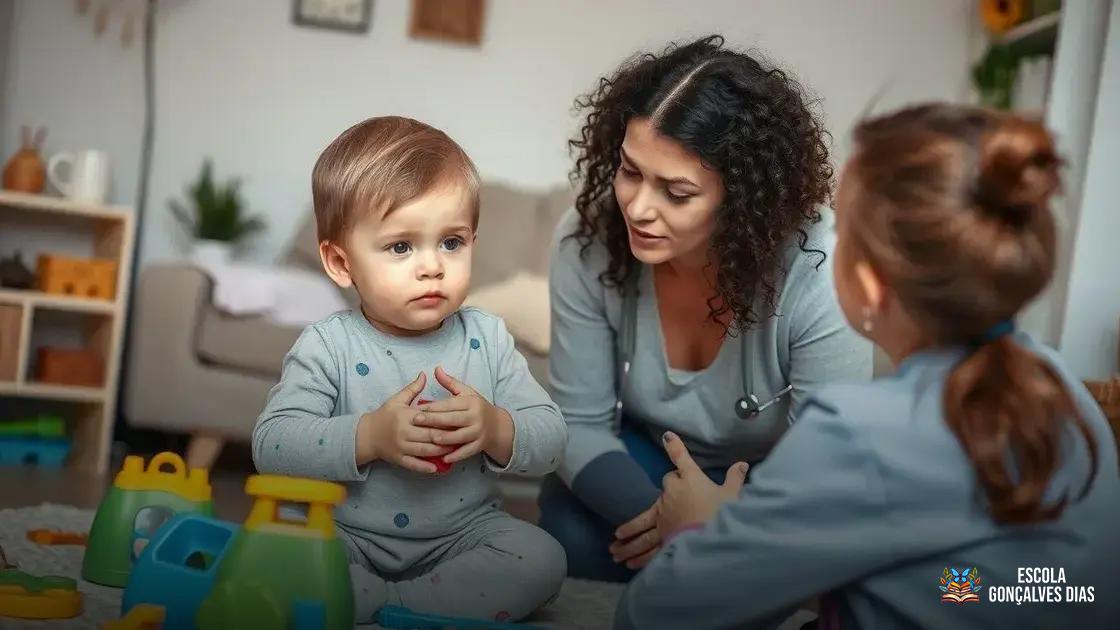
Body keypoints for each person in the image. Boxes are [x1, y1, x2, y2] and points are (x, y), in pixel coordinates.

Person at [616, 104, 1120, 629]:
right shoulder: (1060, 386)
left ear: (871, 285)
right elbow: (1008, 590)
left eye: (840, 231)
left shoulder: (859, 434)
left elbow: (651, 616)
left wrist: (702, 527)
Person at [539, 34, 873, 581]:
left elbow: (827, 473)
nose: (637, 208)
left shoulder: (821, 266)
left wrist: (719, 526)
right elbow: (577, 422)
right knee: (569, 528)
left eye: (676, 193)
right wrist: (667, 522)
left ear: (743, 198)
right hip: (654, 464)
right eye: (630, 171)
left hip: (777, 482)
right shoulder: (587, 237)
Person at [253, 116, 567, 624]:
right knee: (275, 547)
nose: (433, 266)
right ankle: (393, 599)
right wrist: (369, 437)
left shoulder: (487, 339)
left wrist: (495, 427)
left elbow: (552, 440)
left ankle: (392, 604)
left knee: (542, 558)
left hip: (462, 536)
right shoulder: (327, 345)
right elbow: (272, 446)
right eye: (401, 247)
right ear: (341, 263)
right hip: (344, 532)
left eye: (452, 242)